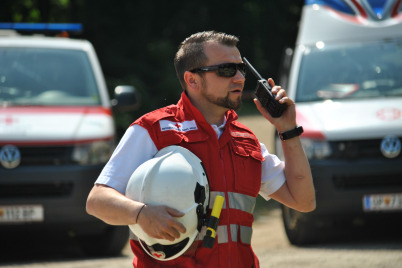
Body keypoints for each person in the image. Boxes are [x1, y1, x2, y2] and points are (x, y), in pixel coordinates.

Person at [86, 30, 315, 267]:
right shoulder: (153, 130)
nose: (239, 78)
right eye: (226, 70)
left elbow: (303, 201)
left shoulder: (246, 140)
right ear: (192, 79)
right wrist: (141, 213)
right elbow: (97, 201)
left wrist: (288, 130)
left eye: (241, 69)